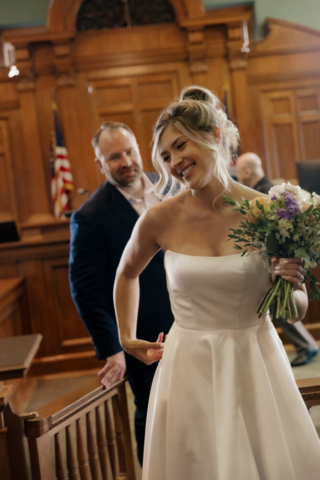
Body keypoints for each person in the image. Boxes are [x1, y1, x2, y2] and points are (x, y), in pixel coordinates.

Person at [114, 86, 320, 479]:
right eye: (165, 156)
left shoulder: (270, 213)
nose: (173, 162)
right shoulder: (159, 219)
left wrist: (290, 283)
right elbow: (126, 273)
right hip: (188, 366)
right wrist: (126, 337)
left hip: (254, 360)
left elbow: (295, 309)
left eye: (179, 146)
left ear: (213, 136)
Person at [69, 121, 174, 464]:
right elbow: (85, 290)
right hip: (142, 336)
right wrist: (113, 347)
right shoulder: (90, 216)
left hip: (193, 319)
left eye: (130, 151)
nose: (126, 161)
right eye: (114, 156)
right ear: (100, 164)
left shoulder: (171, 186)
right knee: (153, 410)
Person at [236, 152, 319, 367]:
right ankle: (306, 345)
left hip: (276, 262)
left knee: (278, 304)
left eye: (238, 171)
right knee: (277, 304)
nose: (237, 176)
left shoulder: (265, 195)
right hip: (272, 260)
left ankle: (305, 345)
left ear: (247, 171)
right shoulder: (267, 190)